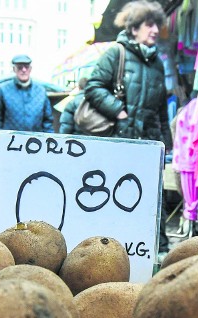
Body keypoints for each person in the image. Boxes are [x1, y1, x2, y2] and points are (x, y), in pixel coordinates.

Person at [83, 0, 173, 256]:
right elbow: (93, 87)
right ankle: (108, 252)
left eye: (157, 24)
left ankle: (158, 251)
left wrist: (167, 142)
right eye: (149, 24)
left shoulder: (157, 62)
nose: (155, 29)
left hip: (149, 144)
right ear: (134, 28)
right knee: (114, 195)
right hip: (119, 141)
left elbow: (161, 110)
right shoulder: (116, 53)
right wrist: (119, 111)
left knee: (155, 197)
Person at [0, 54, 54, 133]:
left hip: (35, 142)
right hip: (10, 142)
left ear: (30, 69)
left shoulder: (41, 91)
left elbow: (47, 121)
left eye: (26, 67)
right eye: (20, 67)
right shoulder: (3, 90)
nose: (24, 70)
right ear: (14, 69)